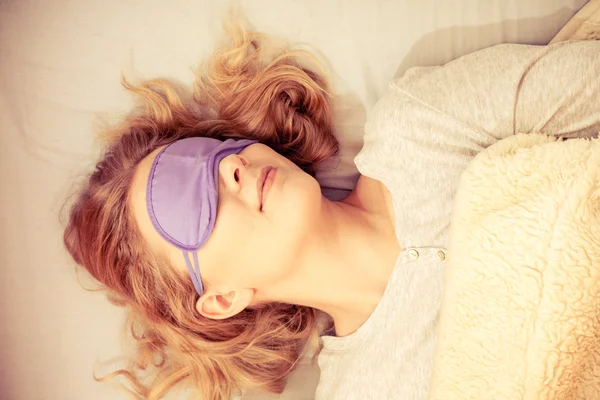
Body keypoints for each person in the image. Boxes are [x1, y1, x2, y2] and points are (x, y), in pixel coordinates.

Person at [61, 15, 600, 400]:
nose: (230, 170)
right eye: (190, 207)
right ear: (222, 299)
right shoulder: (365, 391)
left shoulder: (422, 126)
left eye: (211, 154)